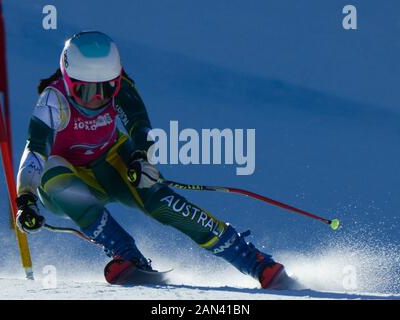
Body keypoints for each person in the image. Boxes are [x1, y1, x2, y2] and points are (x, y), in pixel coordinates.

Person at [15, 31, 287, 289]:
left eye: (107, 89)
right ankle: (127, 254)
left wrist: (139, 157)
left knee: (161, 202)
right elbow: (36, 149)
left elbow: (138, 125)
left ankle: (252, 259)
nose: (98, 99)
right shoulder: (53, 100)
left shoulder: (121, 85)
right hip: (66, 177)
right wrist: (26, 198)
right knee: (52, 171)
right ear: (67, 78)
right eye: (86, 91)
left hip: (111, 162)